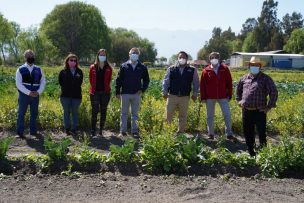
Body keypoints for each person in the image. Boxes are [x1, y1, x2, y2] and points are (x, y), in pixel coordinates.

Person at [236, 56, 278, 156]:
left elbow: (274, 92)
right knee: (248, 133)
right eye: (252, 65)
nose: (254, 66)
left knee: (261, 133)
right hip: (246, 111)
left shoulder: (265, 78)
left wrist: (269, 107)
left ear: (260, 66)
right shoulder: (244, 78)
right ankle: (251, 152)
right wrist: (239, 101)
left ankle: (263, 154)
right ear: (249, 66)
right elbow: (238, 91)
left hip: (260, 111)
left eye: (256, 65)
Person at [115, 47, 150, 137]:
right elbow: (118, 79)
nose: (134, 54)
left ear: (138, 55)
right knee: (124, 113)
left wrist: (143, 89)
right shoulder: (124, 66)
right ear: (129, 54)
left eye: (136, 53)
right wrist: (117, 91)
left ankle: (134, 131)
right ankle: (123, 131)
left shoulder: (142, 67)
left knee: (135, 114)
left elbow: (146, 79)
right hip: (125, 93)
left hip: (136, 94)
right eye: (132, 53)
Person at [162, 51, 199, 133]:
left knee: (183, 116)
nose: (182, 59)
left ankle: (180, 133)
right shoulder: (171, 69)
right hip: (172, 96)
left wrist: (195, 93)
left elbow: (196, 82)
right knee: (168, 115)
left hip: (185, 97)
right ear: (177, 59)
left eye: (184, 57)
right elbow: (166, 81)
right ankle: (167, 133)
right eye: (180, 57)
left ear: (187, 59)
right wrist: (164, 91)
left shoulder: (192, 70)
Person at [200, 52, 234, 140]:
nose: (214, 58)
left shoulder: (225, 69)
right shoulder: (205, 70)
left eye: (216, 57)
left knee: (227, 114)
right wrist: (203, 97)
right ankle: (211, 133)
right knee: (210, 116)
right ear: (210, 59)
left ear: (218, 58)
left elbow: (229, 82)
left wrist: (229, 94)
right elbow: (202, 85)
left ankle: (229, 133)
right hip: (210, 97)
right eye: (212, 57)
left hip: (223, 96)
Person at [16, 49, 46, 138]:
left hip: (36, 95)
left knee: (34, 113)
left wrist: (38, 92)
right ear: (25, 57)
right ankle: (20, 133)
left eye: (32, 55)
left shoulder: (39, 69)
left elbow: (43, 81)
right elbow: (18, 84)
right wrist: (29, 92)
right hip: (24, 95)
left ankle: (33, 132)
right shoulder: (20, 69)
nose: (30, 57)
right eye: (28, 56)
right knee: (21, 113)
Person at [89, 49, 112, 136]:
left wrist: (106, 89)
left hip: (105, 93)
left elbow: (109, 80)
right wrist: (94, 88)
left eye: (104, 55)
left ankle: (101, 130)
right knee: (94, 111)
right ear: (98, 56)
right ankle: (93, 130)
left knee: (103, 111)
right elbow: (91, 79)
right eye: (101, 55)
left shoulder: (108, 68)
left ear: (105, 57)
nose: (102, 56)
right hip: (95, 93)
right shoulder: (92, 67)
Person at [59, 53, 83, 135]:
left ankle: (74, 128)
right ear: (67, 61)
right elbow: (60, 82)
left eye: (74, 61)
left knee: (75, 112)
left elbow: (80, 83)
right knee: (66, 112)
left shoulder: (80, 72)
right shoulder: (63, 72)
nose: (73, 62)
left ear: (76, 62)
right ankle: (67, 128)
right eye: (71, 60)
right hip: (65, 96)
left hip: (76, 96)